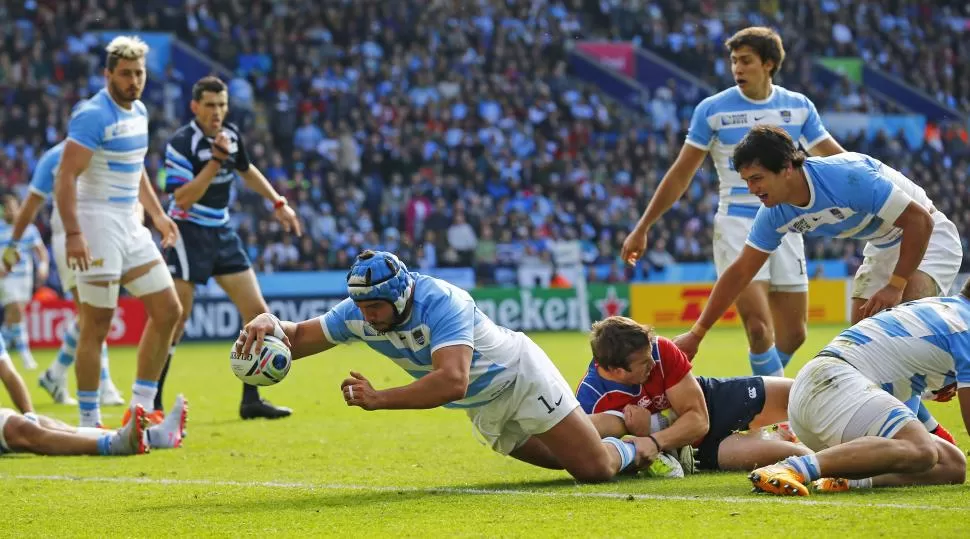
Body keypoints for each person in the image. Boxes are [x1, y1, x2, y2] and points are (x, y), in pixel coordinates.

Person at [235, 250, 660, 482]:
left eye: (376, 307)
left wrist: (380, 399)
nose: (367, 317)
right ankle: (614, 422)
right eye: (361, 307)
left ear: (401, 295)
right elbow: (300, 336)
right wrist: (268, 323)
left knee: (594, 470)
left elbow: (452, 381)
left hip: (519, 378)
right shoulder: (360, 311)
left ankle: (649, 443)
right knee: (559, 462)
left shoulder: (442, 302)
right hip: (483, 405)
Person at [621, 27, 846, 378]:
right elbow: (680, 174)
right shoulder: (712, 110)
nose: (737, 68)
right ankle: (776, 412)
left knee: (795, 334)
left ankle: (755, 394)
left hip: (788, 221)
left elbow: (836, 159)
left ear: (768, 64)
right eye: (733, 61)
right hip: (737, 223)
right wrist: (643, 226)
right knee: (758, 329)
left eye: (746, 61)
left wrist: (882, 186)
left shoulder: (799, 107)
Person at [672, 125, 962, 359]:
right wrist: (697, 334)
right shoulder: (774, 213)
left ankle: (953, 362)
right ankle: (921, 428)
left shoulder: (846, 176)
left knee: (908, 318)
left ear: (786, 167)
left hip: (929, 234)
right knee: (865, 347)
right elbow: (740, 272)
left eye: (757, 178)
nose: (752, 189)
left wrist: (895, 285)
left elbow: (919, 221)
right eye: (746, 180)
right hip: (883, 243)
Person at [54, 35, 183, 427]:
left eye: (139, 73)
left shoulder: (139, 110)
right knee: (97, 323)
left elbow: (136, 165)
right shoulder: (93, 114)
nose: (133, 80)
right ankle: (89, 423)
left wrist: (157, 214)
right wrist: (74, 233)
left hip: (130, 222)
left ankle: (140, 408)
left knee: (169, 311)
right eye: (125, 73)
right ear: (107, 73)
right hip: (95, 223)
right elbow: (65, 176)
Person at [159, 76, 300, 420]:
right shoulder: (182, 143)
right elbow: (182, 197)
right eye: (210, 105)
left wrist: (278, 202)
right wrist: (215, 161)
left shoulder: (231, 136)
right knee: (175, 321)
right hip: (187, 233)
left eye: (221, 105)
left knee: (257, 314)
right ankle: (152, 401)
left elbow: (246, 170)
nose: (217, 112)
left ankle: (251, 399)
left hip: (221, 231)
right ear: (194, 107)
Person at [748, 291, 970, 496]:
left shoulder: (945, 309)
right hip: (832, 386)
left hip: (825, 392)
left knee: (951, 465)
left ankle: (844, 479)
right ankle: (791, 468)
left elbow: (895, 364)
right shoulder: (964, 326)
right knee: (921, 449)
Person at [577, 316, 810, 472]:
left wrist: (653, 438)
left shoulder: (660, 349)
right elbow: (599, 457)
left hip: (711, 400)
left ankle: (780, 432)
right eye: (644, 363)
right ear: (617, 371)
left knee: (804, 393)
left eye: (651, 355)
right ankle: (781, 438)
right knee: (796, 454)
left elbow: (699, 419)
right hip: (698, 451)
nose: (652, 362)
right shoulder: (590, 400)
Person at [4, 141, 124, 406]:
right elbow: (32, 202)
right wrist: (12, 245)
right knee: (92, 314)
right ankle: (101, 385)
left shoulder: (103, 150)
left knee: (92, 314)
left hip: (100, 233)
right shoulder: (56, 156)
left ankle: (56, 374)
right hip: (70, 237)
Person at [0, 194, 48, 371]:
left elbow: (41, 252)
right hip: (5, 278)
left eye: (13, 207)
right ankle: (26, 356)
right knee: (16, 311)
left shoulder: (29, 229)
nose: (9, 211)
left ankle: (3, 345)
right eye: (7, 208)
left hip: (25, 278)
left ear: (19, 208)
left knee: (12, 319)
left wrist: (43, 266)